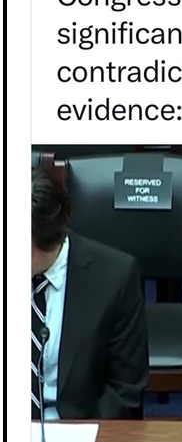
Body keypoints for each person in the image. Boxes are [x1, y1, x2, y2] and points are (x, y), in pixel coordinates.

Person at [31, 167, 149, 420]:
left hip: (78, 433)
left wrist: (87, 440)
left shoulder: (115, 277)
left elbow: (124, 389)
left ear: (46, 240)